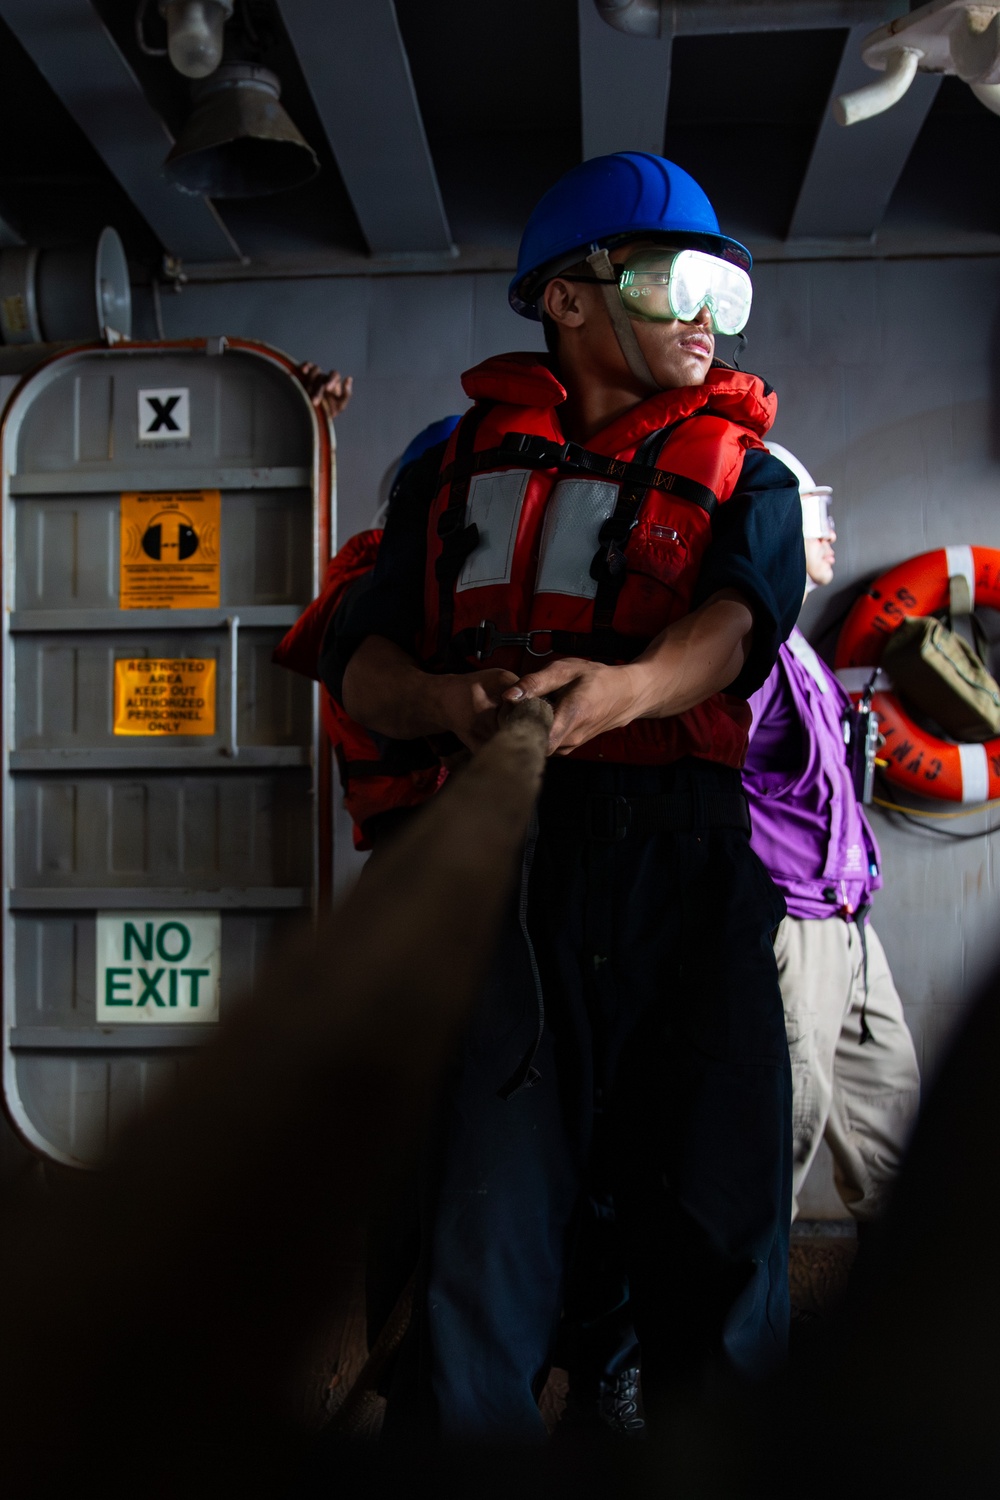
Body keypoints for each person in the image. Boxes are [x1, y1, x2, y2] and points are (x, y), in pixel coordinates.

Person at [325, 151, 805, 1440]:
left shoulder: (746, 475)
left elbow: (736, 626)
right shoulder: (446, 474)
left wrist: (629, 688)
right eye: (672, 280)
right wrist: (449, 707)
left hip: (681, 878)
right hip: (498, 879)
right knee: (472, 1235)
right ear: (571, 300)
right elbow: (364, 661)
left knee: (716, 1229)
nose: (705, 313)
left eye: (724, 289)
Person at [743, 443, 921, 1226]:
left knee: (898, 1134)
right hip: (793, 931)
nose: (833, 530)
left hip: (850, 927)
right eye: (819, 512)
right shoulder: (743, 652)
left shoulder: (799, 647)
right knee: (777, 1141)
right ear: (779, 522)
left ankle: (919, 1329)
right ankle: (730, 1340)